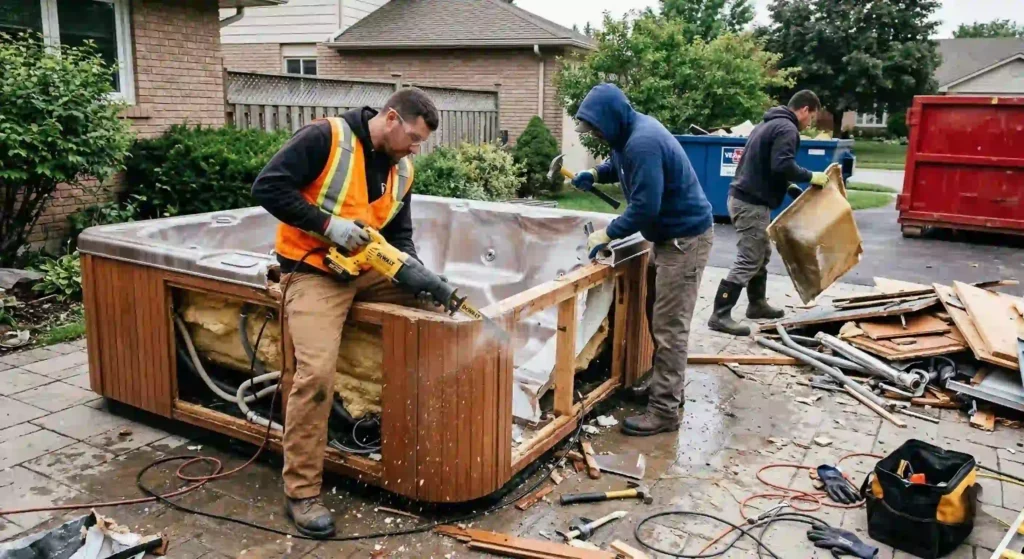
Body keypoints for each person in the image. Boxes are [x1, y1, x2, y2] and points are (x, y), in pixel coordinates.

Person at [251, 87, 439, 538]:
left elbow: (401, 234)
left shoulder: (402, 169)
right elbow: (267, 187)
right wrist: (326, 225)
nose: (415, 148)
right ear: (391, 118)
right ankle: (301, 491)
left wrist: (417, 275)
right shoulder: (326, 137)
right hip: (314, 270)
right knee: (314, 375)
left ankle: (420, 440)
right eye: (412, 137)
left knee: (437, 304)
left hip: (365, 268)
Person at [571, 83, 714, 437]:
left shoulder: (643, 141)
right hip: (668, 239)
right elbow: (618, 162)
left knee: (670, 328)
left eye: (598, 127)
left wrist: (609, 232)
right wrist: (596, 173)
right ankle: (666, 390)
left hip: (685, 241)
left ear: (611, 118)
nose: (598, 135)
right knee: (658, 315)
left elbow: (645, 206)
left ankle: (665, 410)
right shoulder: (628, 134)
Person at [708, 90, 828, 337]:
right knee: (750, 257)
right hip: (750, 203)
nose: (810, 123)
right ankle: (719, 315)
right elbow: (782, 164)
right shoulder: (787, 129)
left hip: (745, 199)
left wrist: (789, 186)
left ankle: (756, 304)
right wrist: (810, 176)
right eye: (812, 118)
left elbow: (765, 166)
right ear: (805, 109)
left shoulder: (768, 124)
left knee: (762, 252)